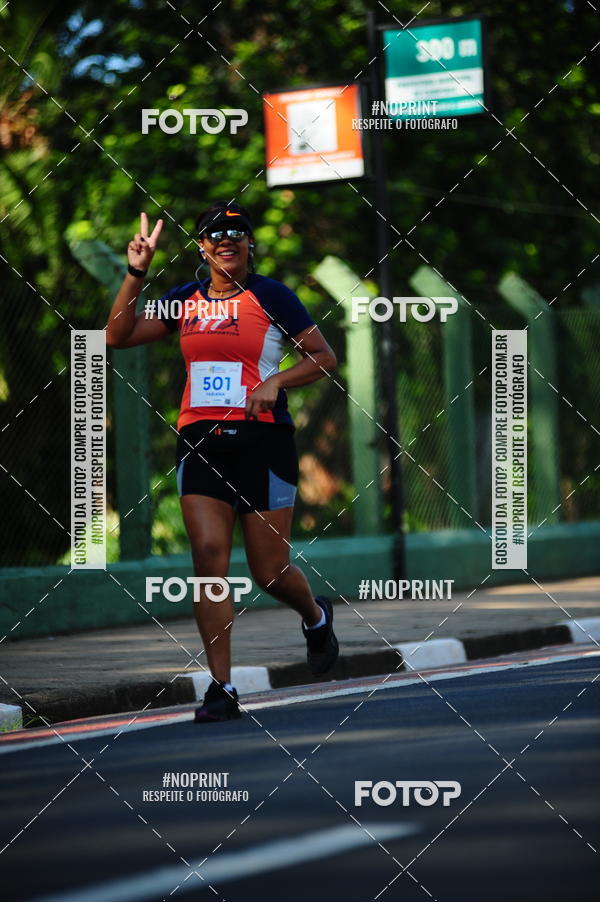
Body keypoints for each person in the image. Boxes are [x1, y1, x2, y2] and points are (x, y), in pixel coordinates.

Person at [105, 202, 339, 722]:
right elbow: (117, 336)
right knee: (208, 557)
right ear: (202, 246)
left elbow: (324, 357)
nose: (228, 238)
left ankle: (315, 614)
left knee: (269, 572)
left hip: (264, 444)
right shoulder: (184, 300)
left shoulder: (272, 295)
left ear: (249, 244)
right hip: (201, 443)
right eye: (217, 232)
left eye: (239, 232)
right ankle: (221, 688)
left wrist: (275, 381)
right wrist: (136, 272)